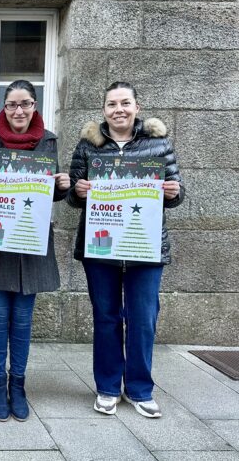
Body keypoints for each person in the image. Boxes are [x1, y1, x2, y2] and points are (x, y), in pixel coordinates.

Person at [0, 80, 70, 422]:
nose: (19, 111)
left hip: (31, 245)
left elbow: (50, 193)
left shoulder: (48, 140)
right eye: (12, 105)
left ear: (35, 106)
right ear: (3, 107)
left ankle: (18, 385)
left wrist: (61, 187)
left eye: (25, 104)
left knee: (22, 319)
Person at [67, 81, 184, 418]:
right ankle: (107, 387)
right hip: (101, 246)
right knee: (105, 318)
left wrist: (173, 191)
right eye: (111, 104)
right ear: (103, 110)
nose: (118, 109)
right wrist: (79, 190)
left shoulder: (159, 143)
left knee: (143, 319)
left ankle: (139, 389)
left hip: (145, 247)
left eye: (125, 103)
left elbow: (178, 194)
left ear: (137, 106)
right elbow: (75, 197)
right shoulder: (89, 146)